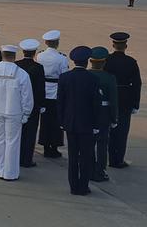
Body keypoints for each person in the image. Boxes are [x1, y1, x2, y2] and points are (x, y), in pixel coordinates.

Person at [0, 44, 33, 181]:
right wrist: (26, 113)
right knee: (12, 142)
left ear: (2, 55)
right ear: (14, 56)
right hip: (14, 111)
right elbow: (27, 96)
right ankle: (10, 173)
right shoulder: (22, 74)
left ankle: (0, 170)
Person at [58, 46, 100, 196]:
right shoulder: (93, 79)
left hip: (70, 123)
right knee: (86, 157)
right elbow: (96, 104)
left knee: (73, 157)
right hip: (87, 124)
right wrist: (96, 125)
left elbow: (60, 102)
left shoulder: (64, 77)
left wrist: (62, 121)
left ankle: (73, 187)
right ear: (87, 61)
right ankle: (83, 186)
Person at [104, 32, 141, 168]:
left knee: (108, 130)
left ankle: (107, 156)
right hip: (125, 99)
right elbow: (137, 84)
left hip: (109, 98)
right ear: (125, 45)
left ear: (113, 45)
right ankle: (118, 159)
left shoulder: (106, 60)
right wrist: (135, 103)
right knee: (122, 131)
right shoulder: (131, 62)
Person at [37, 30, 69, 158]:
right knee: (56, 121)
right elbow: (64, 76)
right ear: (57, 43)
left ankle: (45, 146)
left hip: (43, 90)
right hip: (56, 91)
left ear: (46, 42)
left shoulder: (39, 56)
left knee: (45, 121)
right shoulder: (61, 58)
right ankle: (54, 147)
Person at [89, 46, 118, 182]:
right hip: (103, 113)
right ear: (104, 62)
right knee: (101, 144)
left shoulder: (87, 75)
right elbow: (113, 100)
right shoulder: (109, 78)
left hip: (87, 113)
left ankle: (87, 168)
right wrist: (114, 117)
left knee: (88, 143)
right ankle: (100, 171)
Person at [15, 38, 45, 168]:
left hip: (17, 102)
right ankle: (26, 159)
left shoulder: (16, 65)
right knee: (30, 133)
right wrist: (41, 104)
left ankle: (15, 156)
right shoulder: (38, 67)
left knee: (16, 132)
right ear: (34, 53)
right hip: (33, 104)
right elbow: (40, 88)